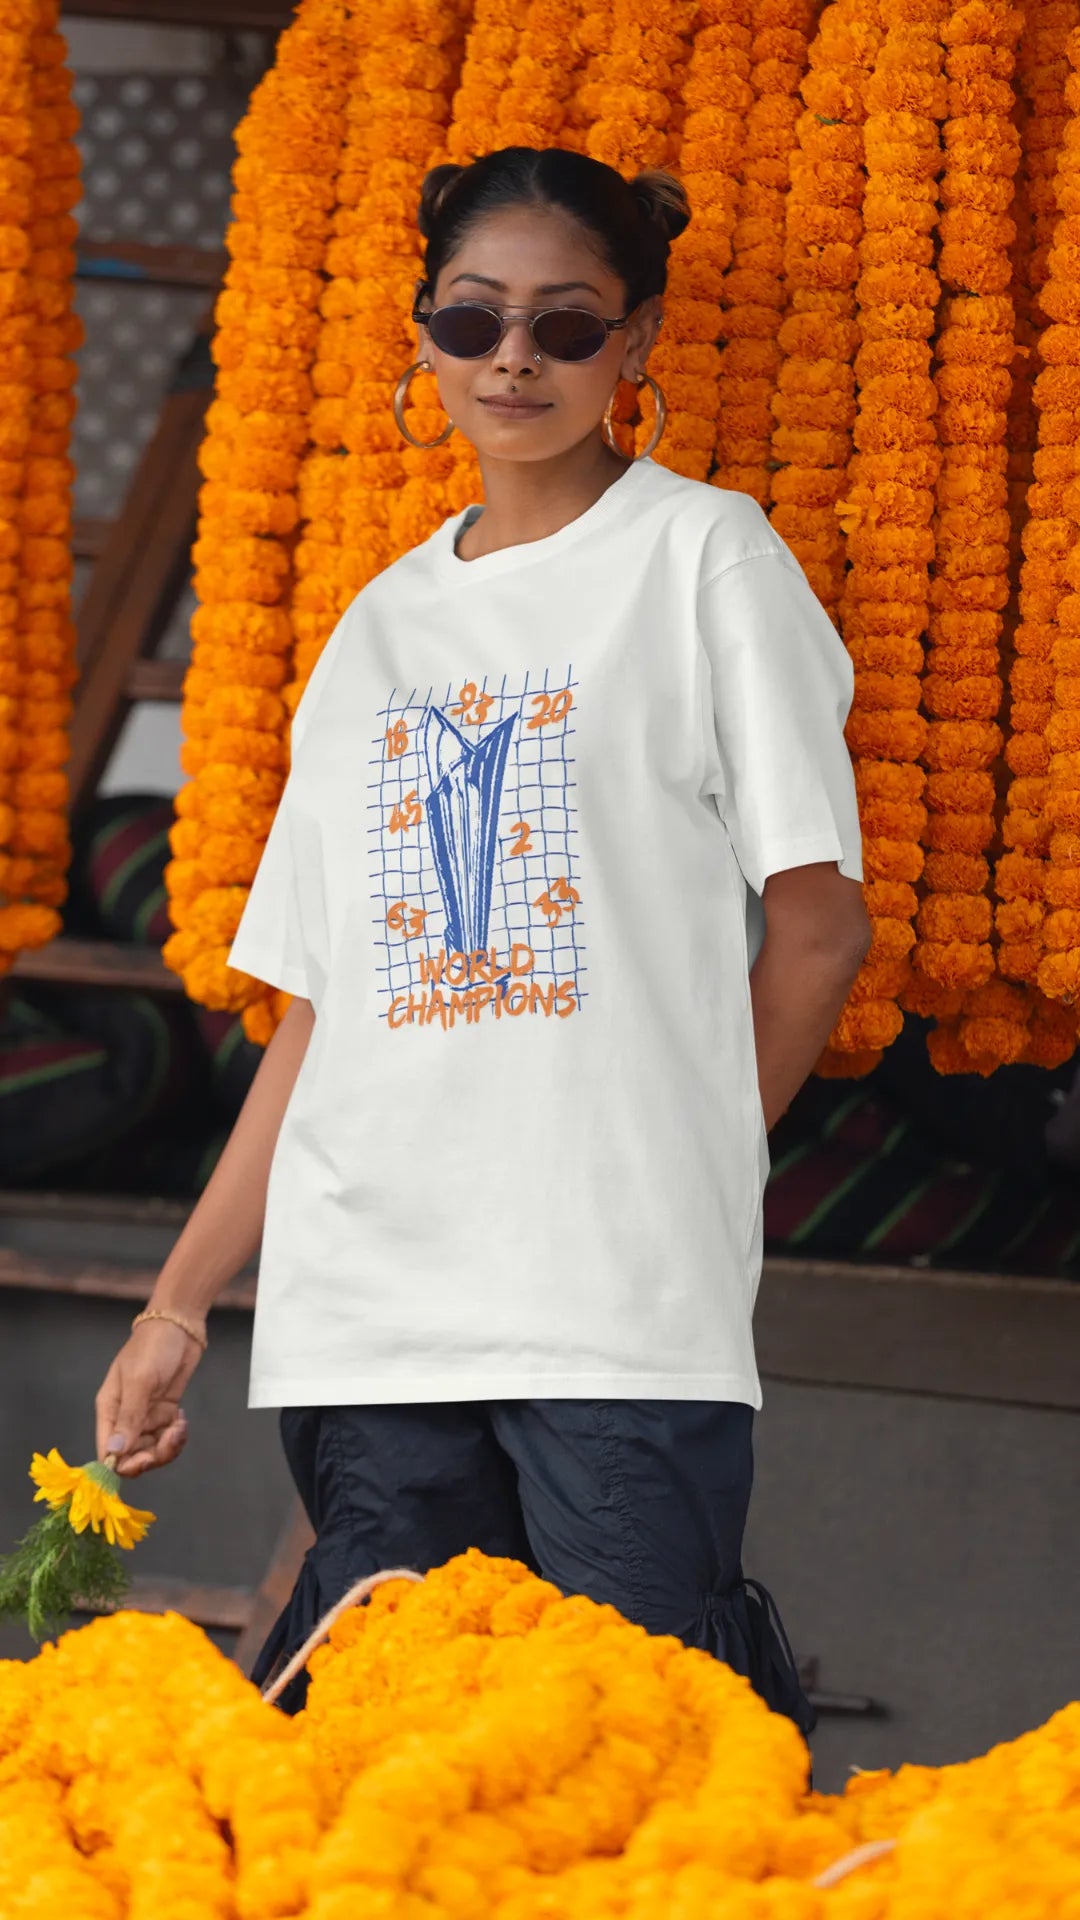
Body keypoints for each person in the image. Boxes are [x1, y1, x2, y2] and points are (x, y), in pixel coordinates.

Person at [95, 147, 870, 1725]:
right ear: (424, 336)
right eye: (474, 320)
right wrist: (180, 1303)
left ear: (634, 343)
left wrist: (695, 1158)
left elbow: (818, 933)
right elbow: (323, 1015)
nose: (514, 357)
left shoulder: (706, 561)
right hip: (370, 1308)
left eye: (566, 325)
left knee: (630, 1754)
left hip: (616, 1309)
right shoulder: (375, 630)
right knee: (397, 1771)